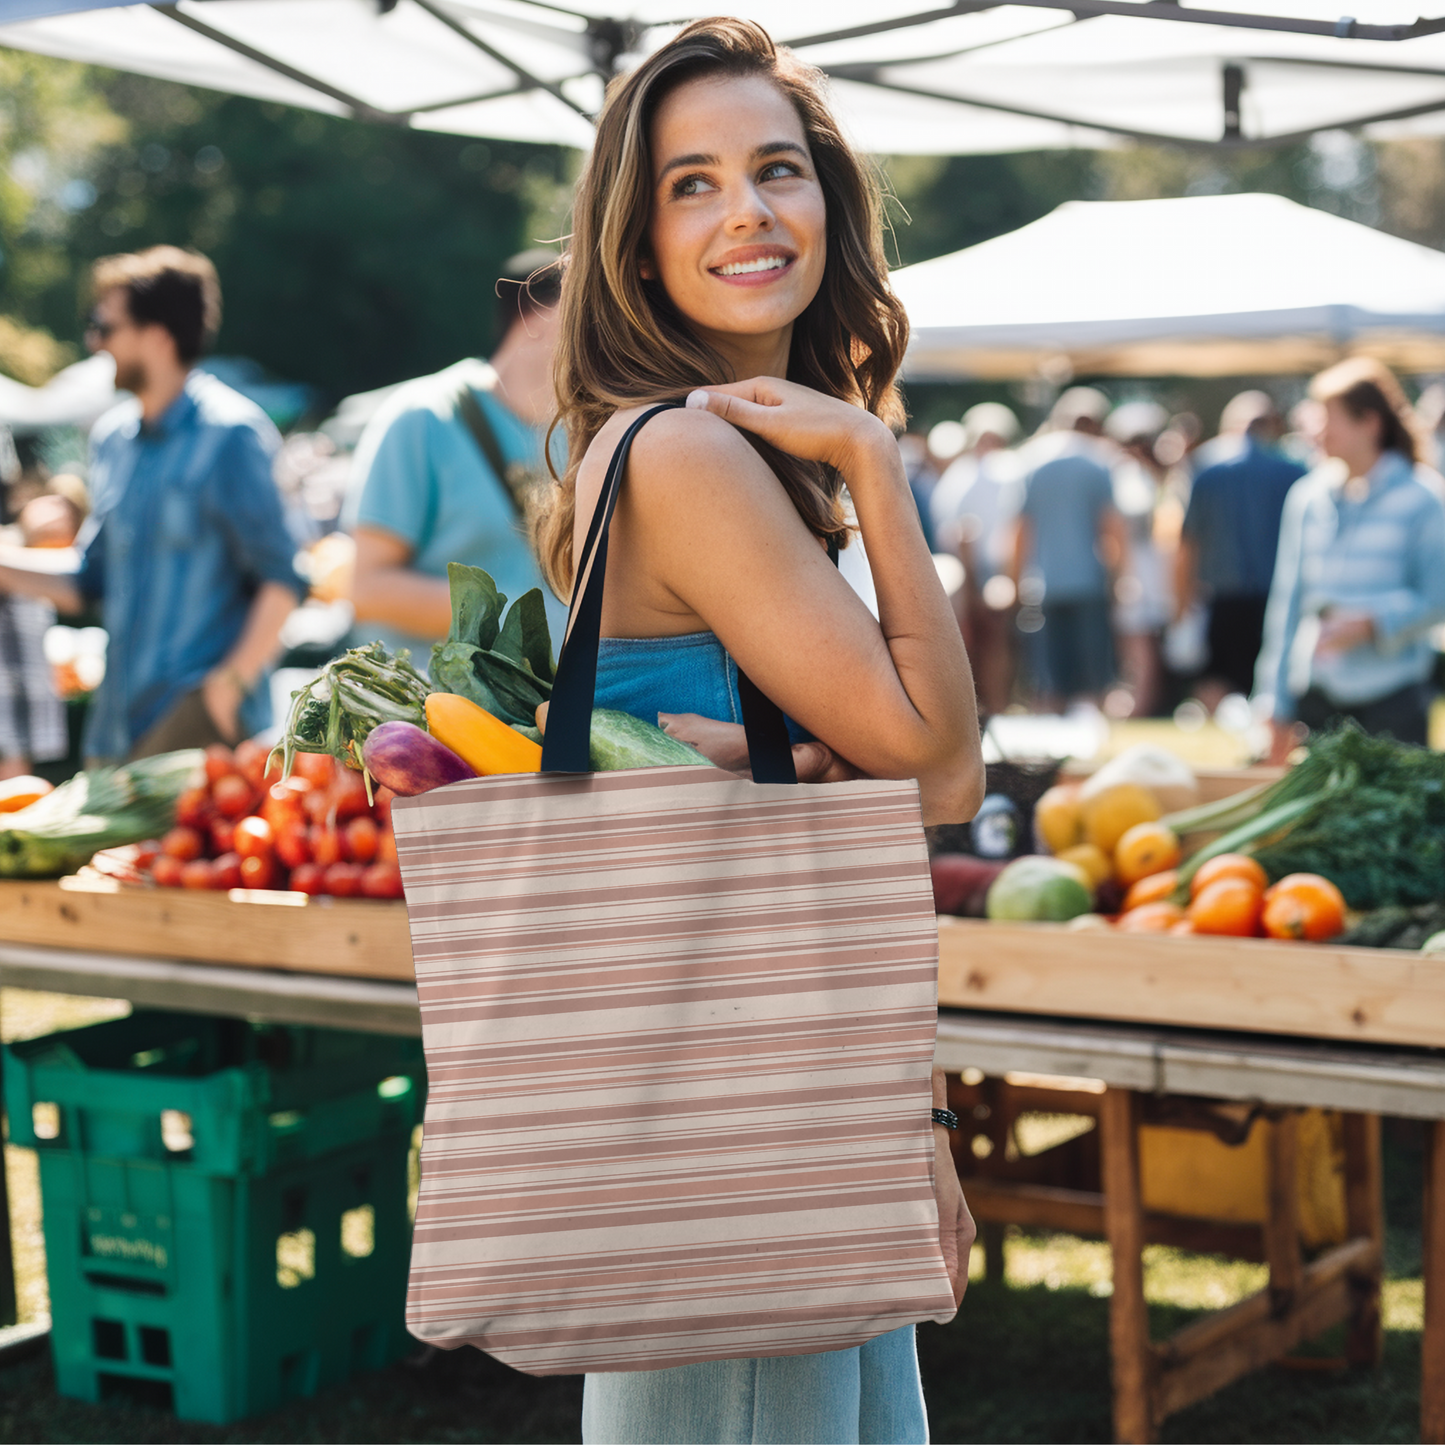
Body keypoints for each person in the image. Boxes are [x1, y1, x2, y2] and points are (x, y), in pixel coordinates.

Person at [531, 18, 982, 1442]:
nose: (746, 212)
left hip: (773, 1070)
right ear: (637, 238)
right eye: (691, 183)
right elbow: (944, 761)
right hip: (731, 1114)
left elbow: (831, 827)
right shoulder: (692, 454)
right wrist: (875, 458)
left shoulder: (713, 442)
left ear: (829, 200)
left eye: (777, 169)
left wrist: (908, 1115)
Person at [0, 247, 303, 760]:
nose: (93, 341)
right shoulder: (112, 438)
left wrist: (222, 695)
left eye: (104, 326)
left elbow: (283, 580)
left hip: (197, 736)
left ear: (158, 337)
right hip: (115, 731)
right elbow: (87, 580)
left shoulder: (231, 434)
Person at [345, 250, 569, 664]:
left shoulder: (580, 432)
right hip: (424, 713)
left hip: (534, 718)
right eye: (589, 310)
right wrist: (527, 623)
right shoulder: (422, 418)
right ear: (537, 318)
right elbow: (367, 589)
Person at [1256, 358, 1445, 760]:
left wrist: (1371, 623)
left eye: (1329, 418)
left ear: (1369, 422)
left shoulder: (1424, 499)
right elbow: (1287, 604)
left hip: (1394, 700)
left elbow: (1438, 596)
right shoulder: (1307, 499)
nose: (1317, 431)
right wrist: (1274, 698)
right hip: (1319, 697)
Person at [1176, 392, 1306, 706]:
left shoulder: (1209, 473)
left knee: (1219, 685)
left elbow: (1188, 542)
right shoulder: (1296, 471)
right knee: (1272, 681)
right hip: (1278, 595)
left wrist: (1180, 599)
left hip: (1225, 596)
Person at [1011, 387, 1128, 711]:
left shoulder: (1031, 460)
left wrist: (1014, 579)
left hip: (1043, 584)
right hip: (1089, 582)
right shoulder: (1099, 461)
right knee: (1092, 675)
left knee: (1048, 678)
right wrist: (1119, 578)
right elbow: (1113, 529)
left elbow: (1020, 530)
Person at [930, 402, 1024, 716]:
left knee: (989, 643)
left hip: (982, 572)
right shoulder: (970, 477)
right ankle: (989, 709)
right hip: (974, 573)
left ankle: (992, 708)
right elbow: (964, 535)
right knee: (985, 644)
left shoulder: (963, 477)